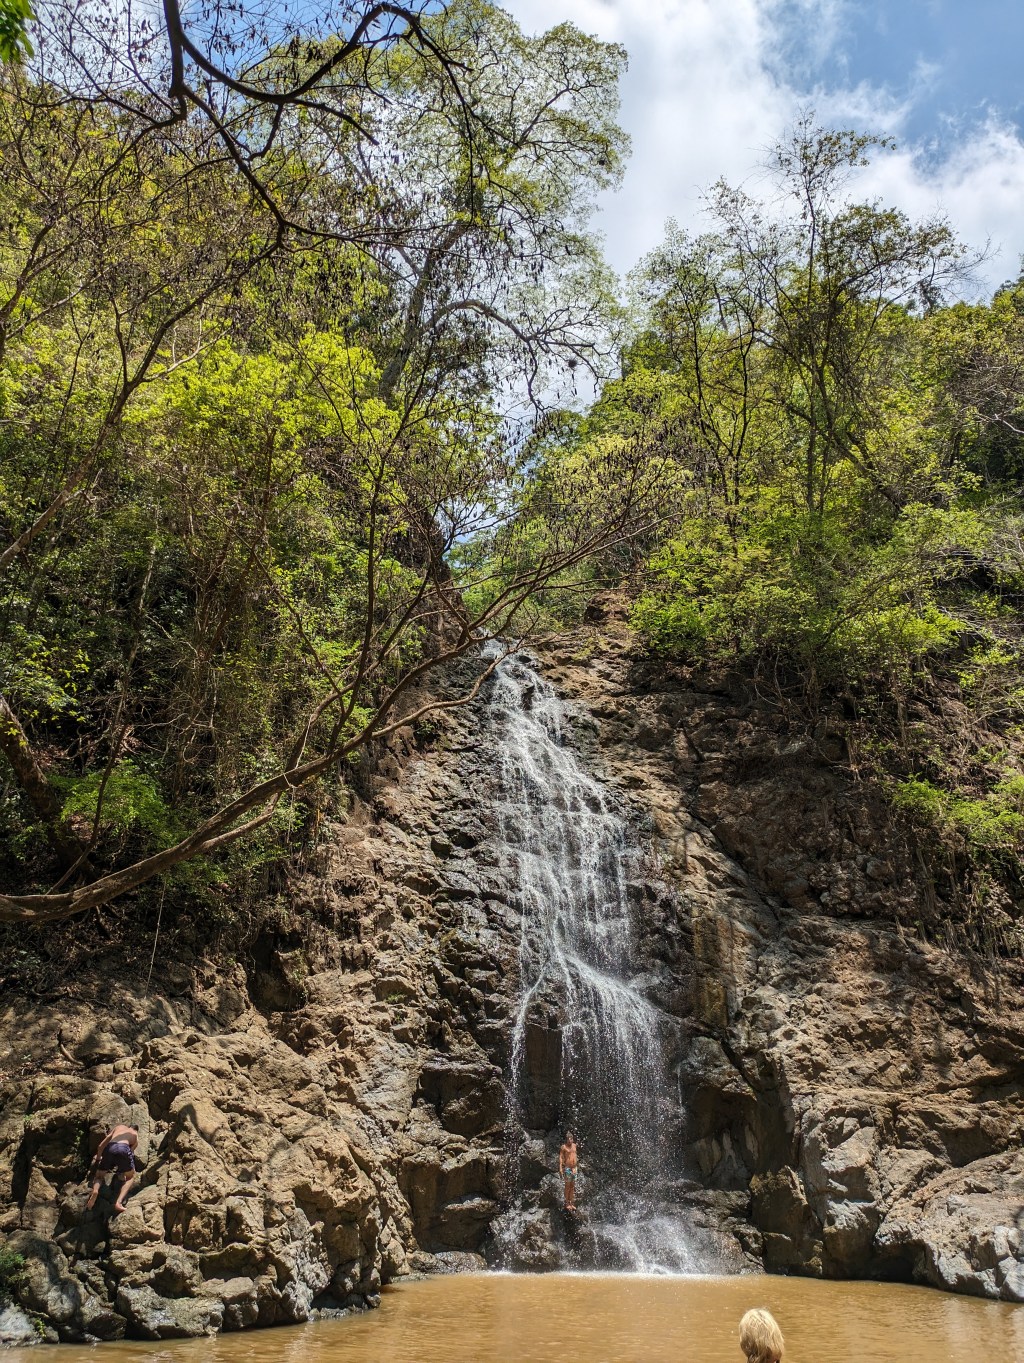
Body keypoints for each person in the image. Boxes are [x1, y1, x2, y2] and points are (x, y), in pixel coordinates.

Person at [86, 1123, 138, 1214]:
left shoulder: (119, 1127)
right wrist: (122, 1170)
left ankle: (95, 1191)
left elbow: (101, 1146)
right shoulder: (135, 1135)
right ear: (136, 1130)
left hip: (110, 1147)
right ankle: (118, 1203)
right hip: (123, 1149)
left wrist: (98, 1159)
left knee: (99, 1176)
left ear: (129, 1126)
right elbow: (129, 1154)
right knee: (130, 1177)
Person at [558, 1129, 578, 1211]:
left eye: (571, 1139)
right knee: (567, 1186)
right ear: (566, 1140)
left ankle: (571, 1203)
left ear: (572, 1139)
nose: (570, 1141)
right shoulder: (563, 1147)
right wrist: (560, 1168)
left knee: (572, 1186)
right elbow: (561, 1158)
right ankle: (567, 1202)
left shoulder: (574, 1145)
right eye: (568, 1139)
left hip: (574, 1168)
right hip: (567, 1169)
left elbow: (575, 1155)